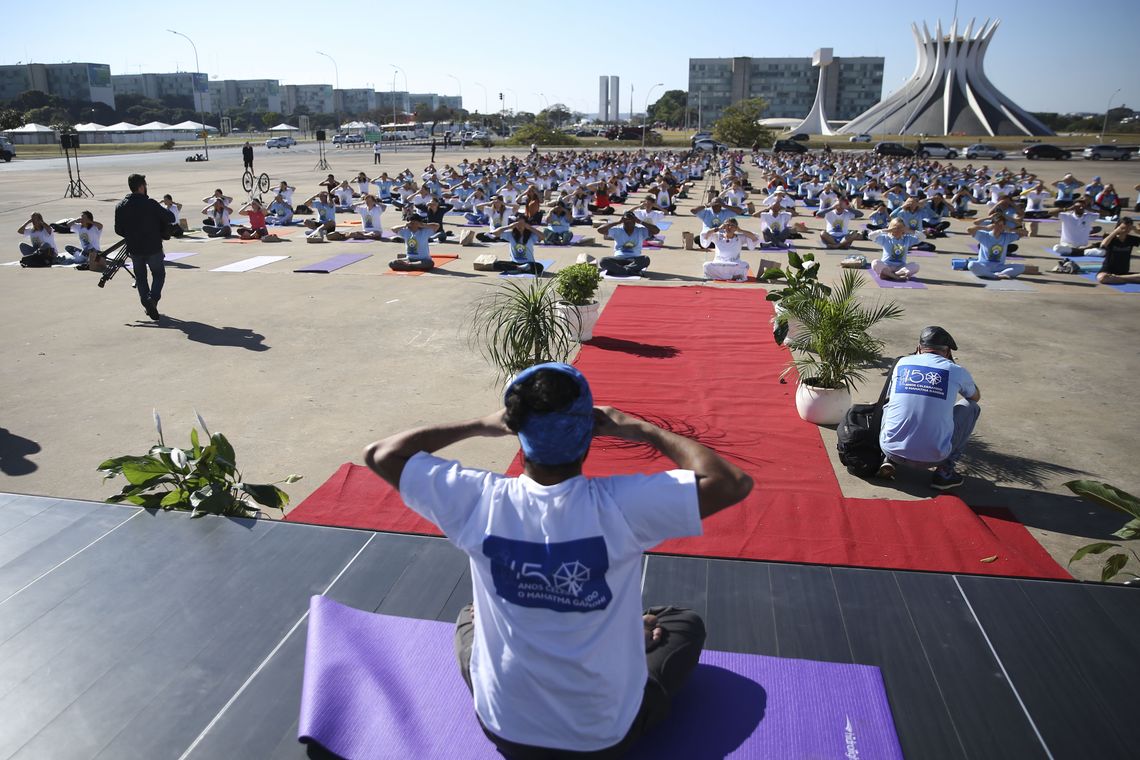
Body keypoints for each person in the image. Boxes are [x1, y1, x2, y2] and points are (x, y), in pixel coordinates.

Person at [362, 362, 752, 757]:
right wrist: (642, 429)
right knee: (681, 623)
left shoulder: (476, 500)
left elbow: (381, 454)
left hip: (504, 727)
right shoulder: (622, 506)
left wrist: (481, 424)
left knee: (471, 611)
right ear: (589, 433)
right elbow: (730, 482)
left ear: (517, 430)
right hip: (604, 737)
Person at [878, 326, 980, 491]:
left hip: (891, 449)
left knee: (890, 402)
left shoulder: (902, 363)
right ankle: (944, 472)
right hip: (934, 457)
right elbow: (975, 397)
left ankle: (887, 460)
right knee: (971, 407)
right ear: (947, 352)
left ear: (919, 348)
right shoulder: (955, 370)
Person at [114, 173, 175, 321]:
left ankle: (146, 301)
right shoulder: (150, 204)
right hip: (153, 246)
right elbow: (171, 218)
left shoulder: (121, 206)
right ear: (141, 187)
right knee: (159, 274)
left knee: (141, 278)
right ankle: (152, 300)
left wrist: (131, 235)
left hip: (134, 249)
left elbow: (118, 230)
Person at [598, 211, 659, 277]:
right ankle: (631, 271)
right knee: (603, 261)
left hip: (634, 259)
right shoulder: (617, 230)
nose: (629, 222)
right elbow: (600, 230)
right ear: (623, 221)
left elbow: (656, 231)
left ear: (635, 221)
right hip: (618, 259)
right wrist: (617, 222)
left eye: (631, 220)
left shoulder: (640, 230)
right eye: (626, 220)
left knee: (645, 259)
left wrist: (641, 222)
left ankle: (619, 270)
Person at [700, 217, 757, 281]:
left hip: (734, 264)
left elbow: (754, 238)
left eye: (731, 226)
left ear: (736, 228)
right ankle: (732, 277)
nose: (729, 227)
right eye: (727, 225)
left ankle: (722, 276)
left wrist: (740, 230)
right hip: (719, 264)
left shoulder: (739, 238)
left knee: (745, 265)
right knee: (706, 265)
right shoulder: (717, 236)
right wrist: (718, 228)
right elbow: (705, 235)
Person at [1094, 217, 1140, 285]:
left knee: (1110, 278)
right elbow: (1103, 245)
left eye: (1128, 227)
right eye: (1123, 227)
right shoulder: (1111, 238)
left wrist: (1137, 230)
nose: (1125, 230)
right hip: (1107, 271)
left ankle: (1118, 278)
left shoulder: (1132, 239)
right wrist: (1115, 231)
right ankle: (1123, 279)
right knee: (1102, 278)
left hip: (1123, 272)